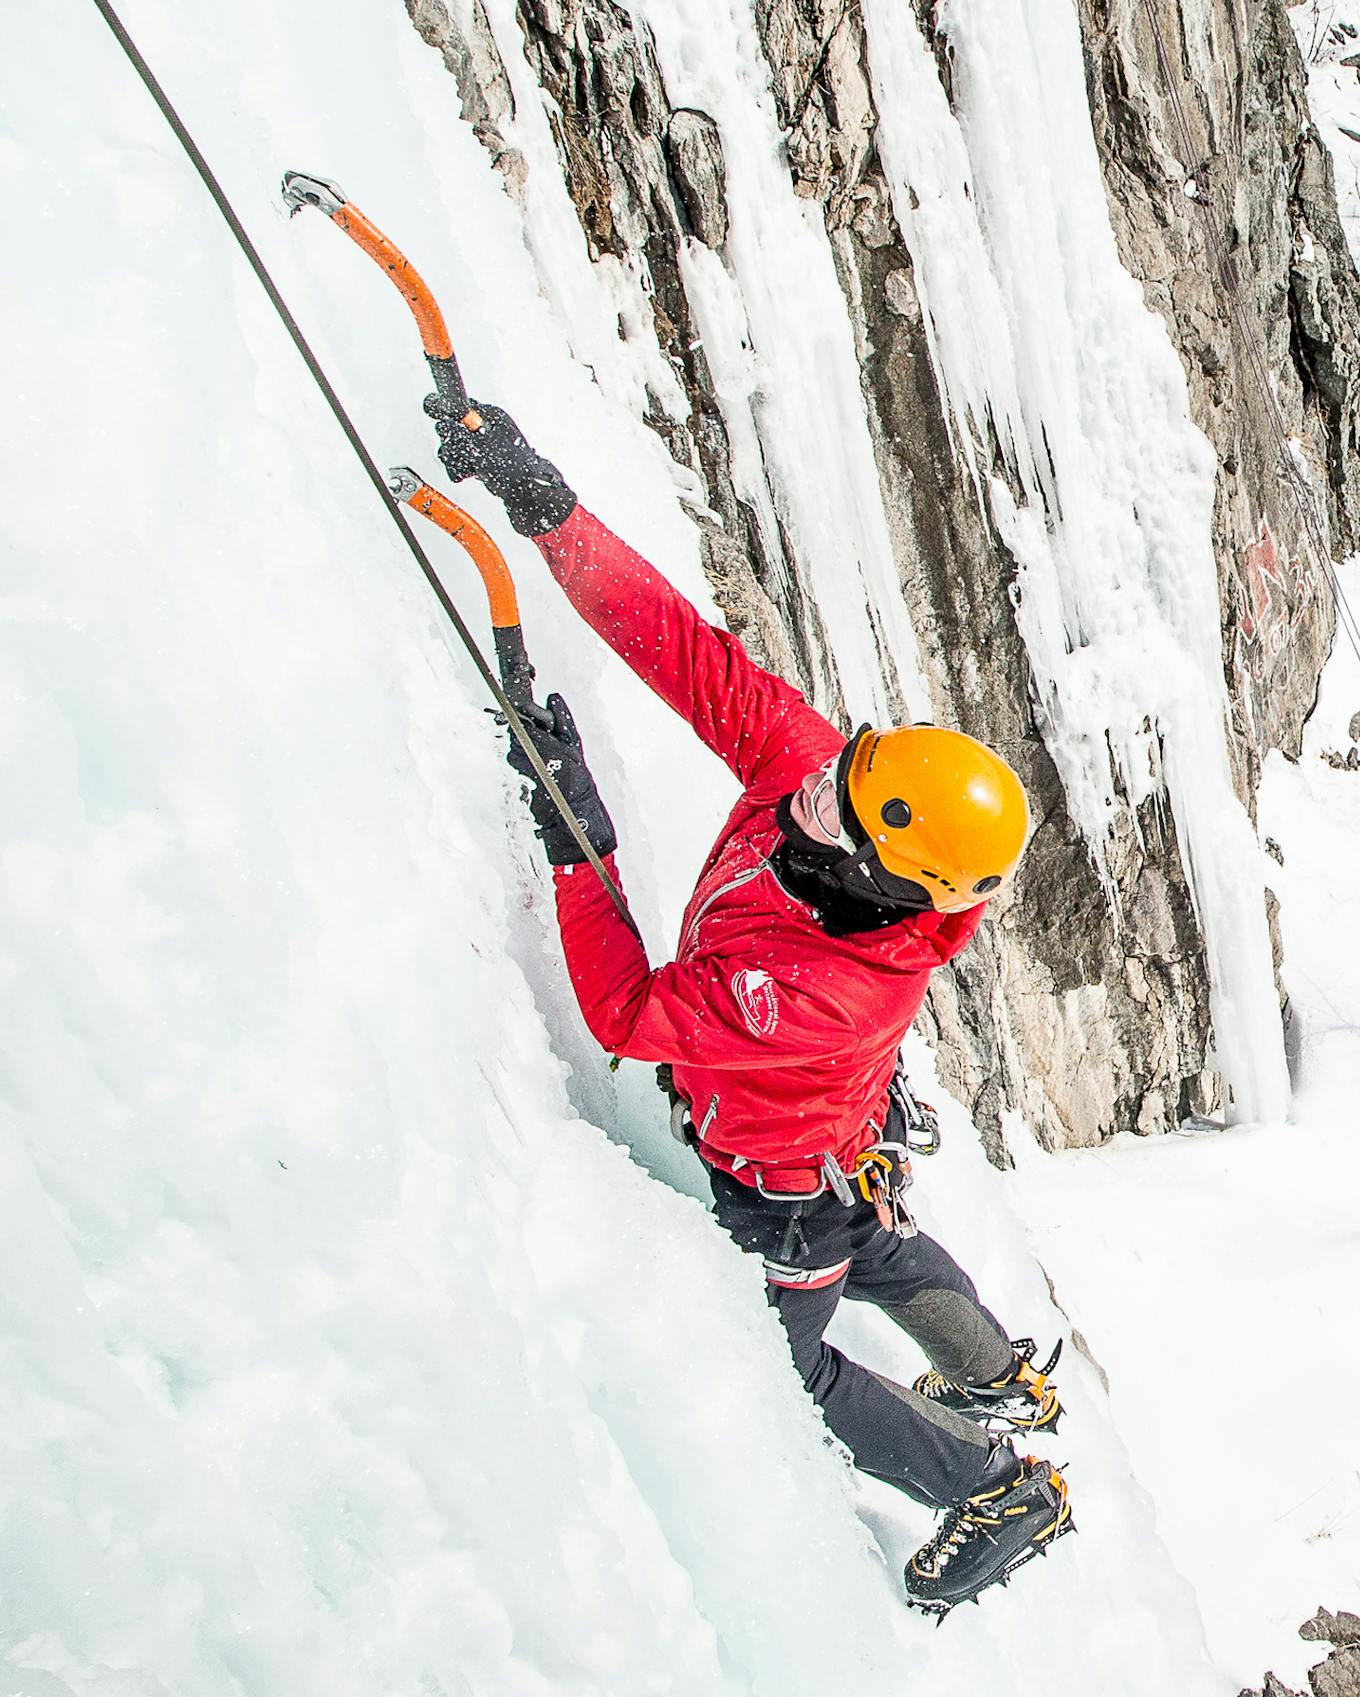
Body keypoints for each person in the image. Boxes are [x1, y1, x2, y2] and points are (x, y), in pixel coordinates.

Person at [428, 397, 1072, 1614]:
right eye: (843, 769)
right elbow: (691, 660)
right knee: (877, 1236)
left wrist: (581, 846)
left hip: (779, 1199)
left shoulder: (810, 992)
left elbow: (628, 1009)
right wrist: (549, 507)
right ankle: (995, 1378)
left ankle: (992, 1486)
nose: (811, 788)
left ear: (892, 870)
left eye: (842, 804)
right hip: (837, 1139)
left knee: (798, 1371)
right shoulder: (827, 785)